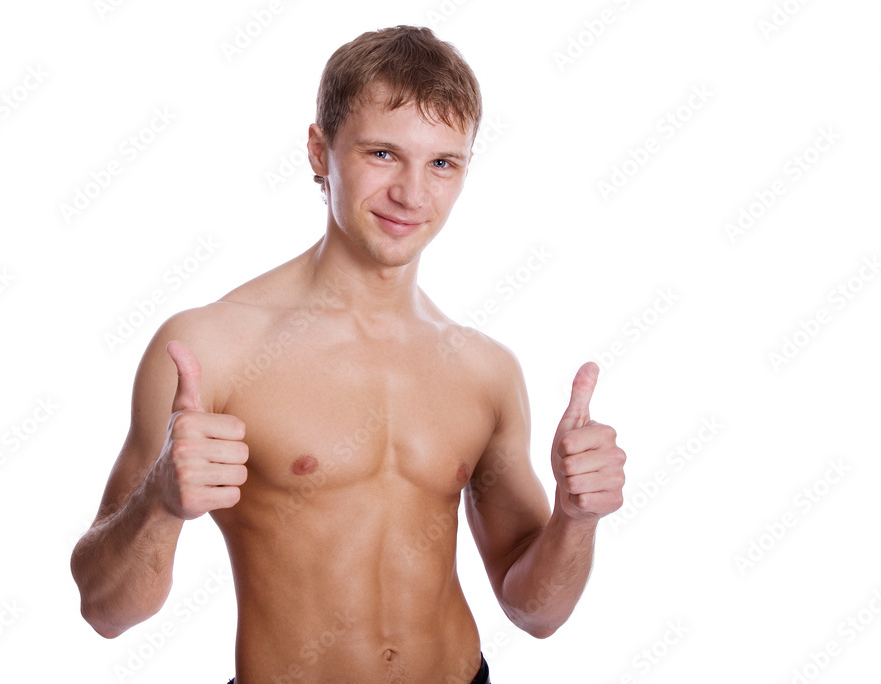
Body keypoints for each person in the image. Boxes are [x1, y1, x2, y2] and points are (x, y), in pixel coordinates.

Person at [70, 25, 626, 684]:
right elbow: (105, 610)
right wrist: (159, 503)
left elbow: (536, 612)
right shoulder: (210, 347)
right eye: (384, 154)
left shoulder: (485, 370)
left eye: (442, 163)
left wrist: (575, 518)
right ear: (319, 151)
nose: (412, 194)